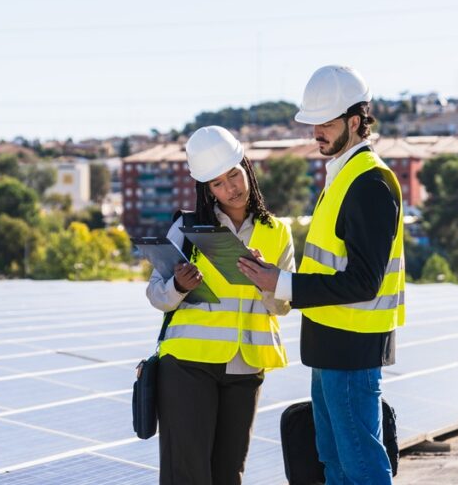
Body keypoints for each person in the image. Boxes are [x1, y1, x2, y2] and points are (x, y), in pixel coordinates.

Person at [238, 65, 405, 484]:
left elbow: (364, 282)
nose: (317, 133)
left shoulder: (370, 184)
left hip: (353, 349)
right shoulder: (343, 177)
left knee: (361, 464)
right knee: (333, 462)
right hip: (331, 345)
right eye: (314, 124)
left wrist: (281, 284)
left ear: (355, 121)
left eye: (326, 124)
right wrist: (276, 276)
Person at [146, 125, 295, 485]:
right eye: (217, 183)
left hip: (245, 367)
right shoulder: (187, 226)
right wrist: (179, 285)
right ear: (206, 188)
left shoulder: (277, 232)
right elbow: (156, 294)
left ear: (246, 167)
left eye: (234, 175)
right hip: (187, 365)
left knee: (229, 474)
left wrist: (267, 280)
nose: (231, 188)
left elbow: (283, 306)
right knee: (188, 474)